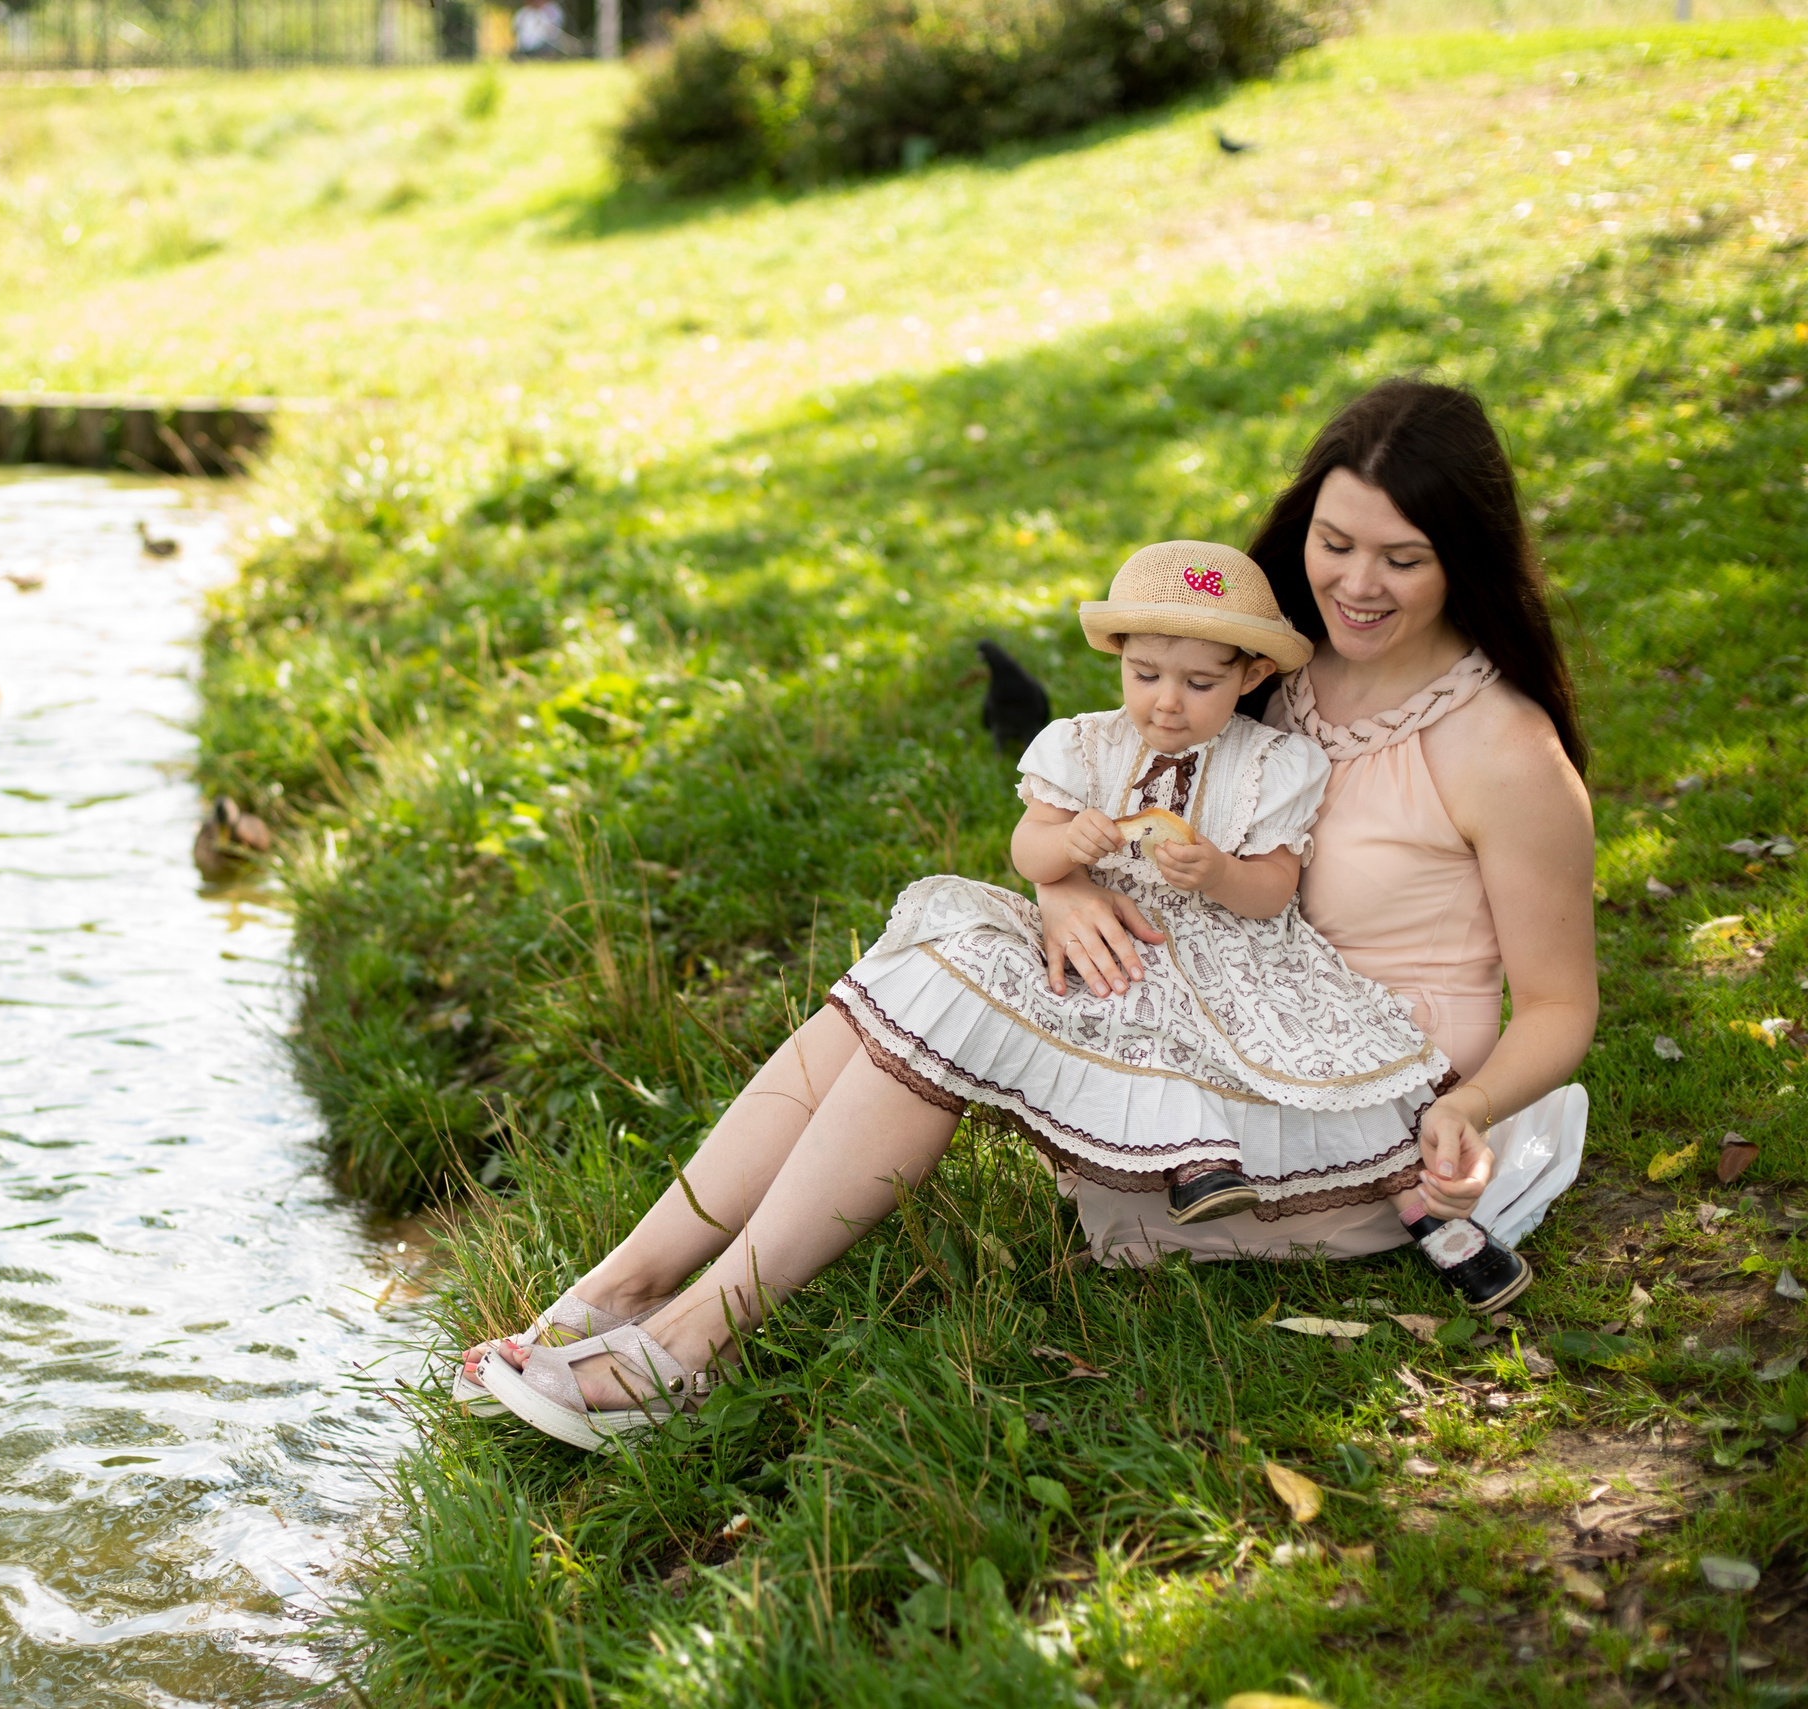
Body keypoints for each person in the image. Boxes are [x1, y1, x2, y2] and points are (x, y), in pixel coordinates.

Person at [458, 378, 1598, 1454]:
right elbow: (1119, 799)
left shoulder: (1504, 750)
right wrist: (1062, 884)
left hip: (1355, 1107)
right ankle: (626, 1286)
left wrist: (1476, 1111)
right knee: (943, 958)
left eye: (1403, 557)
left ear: (1467, 559)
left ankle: (682, 1344)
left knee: (959, 1004)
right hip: (1190, 1023)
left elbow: (1557, 1007)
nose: (1357, 584)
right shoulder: (1270, 673)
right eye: (1333, 543)